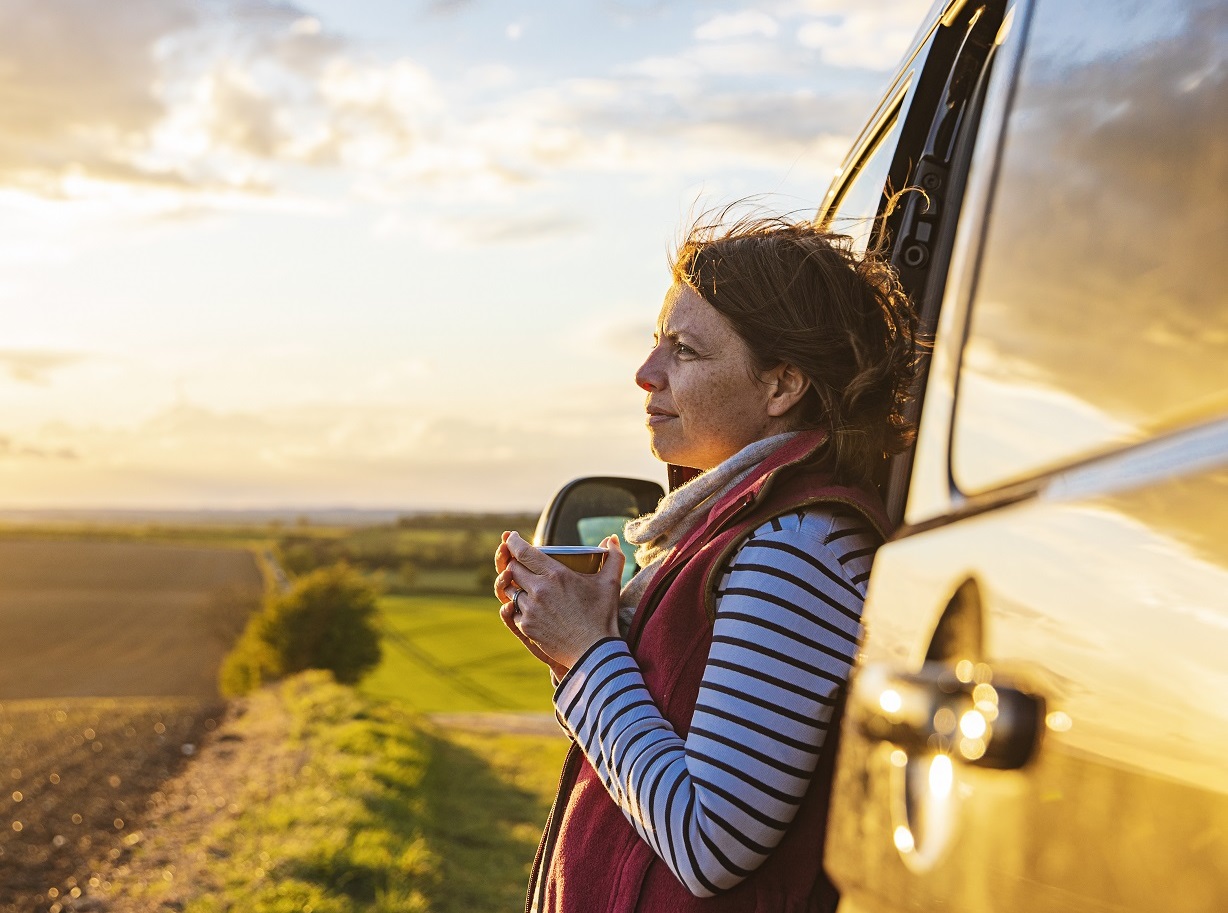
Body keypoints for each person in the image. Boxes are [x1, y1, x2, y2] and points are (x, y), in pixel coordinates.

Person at [494, 210, 918, 913]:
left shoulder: (796, 547)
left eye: (684, 351)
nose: (645, 373)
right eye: (657, 343)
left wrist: (589, 652)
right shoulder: (744, 528)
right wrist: (576, 648)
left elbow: (710, 841)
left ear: (782, 385)